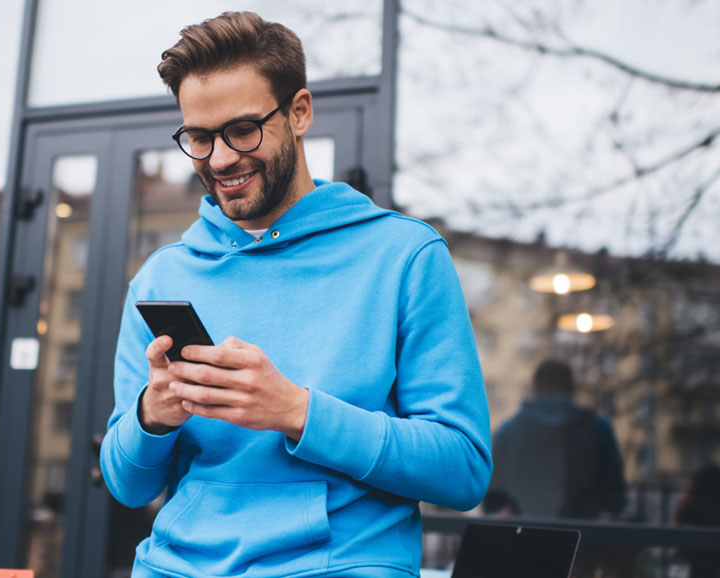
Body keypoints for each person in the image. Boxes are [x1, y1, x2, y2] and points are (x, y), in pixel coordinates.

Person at [99, 11, 492, 578]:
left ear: (300, 112)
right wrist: (151, 416)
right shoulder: (164, 277)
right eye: (200, 138)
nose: (220, 159)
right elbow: (127, 484)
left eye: (241, 130)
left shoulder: (404, 257)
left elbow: (462, 470)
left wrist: (297, 412)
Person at [489, 360, 626, 519]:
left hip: (523, 535)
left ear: (536, 388)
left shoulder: (508, 431)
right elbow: (617, 499)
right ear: (571, 389)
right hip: (584, 537)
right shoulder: (598, 429)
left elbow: (492, 500)